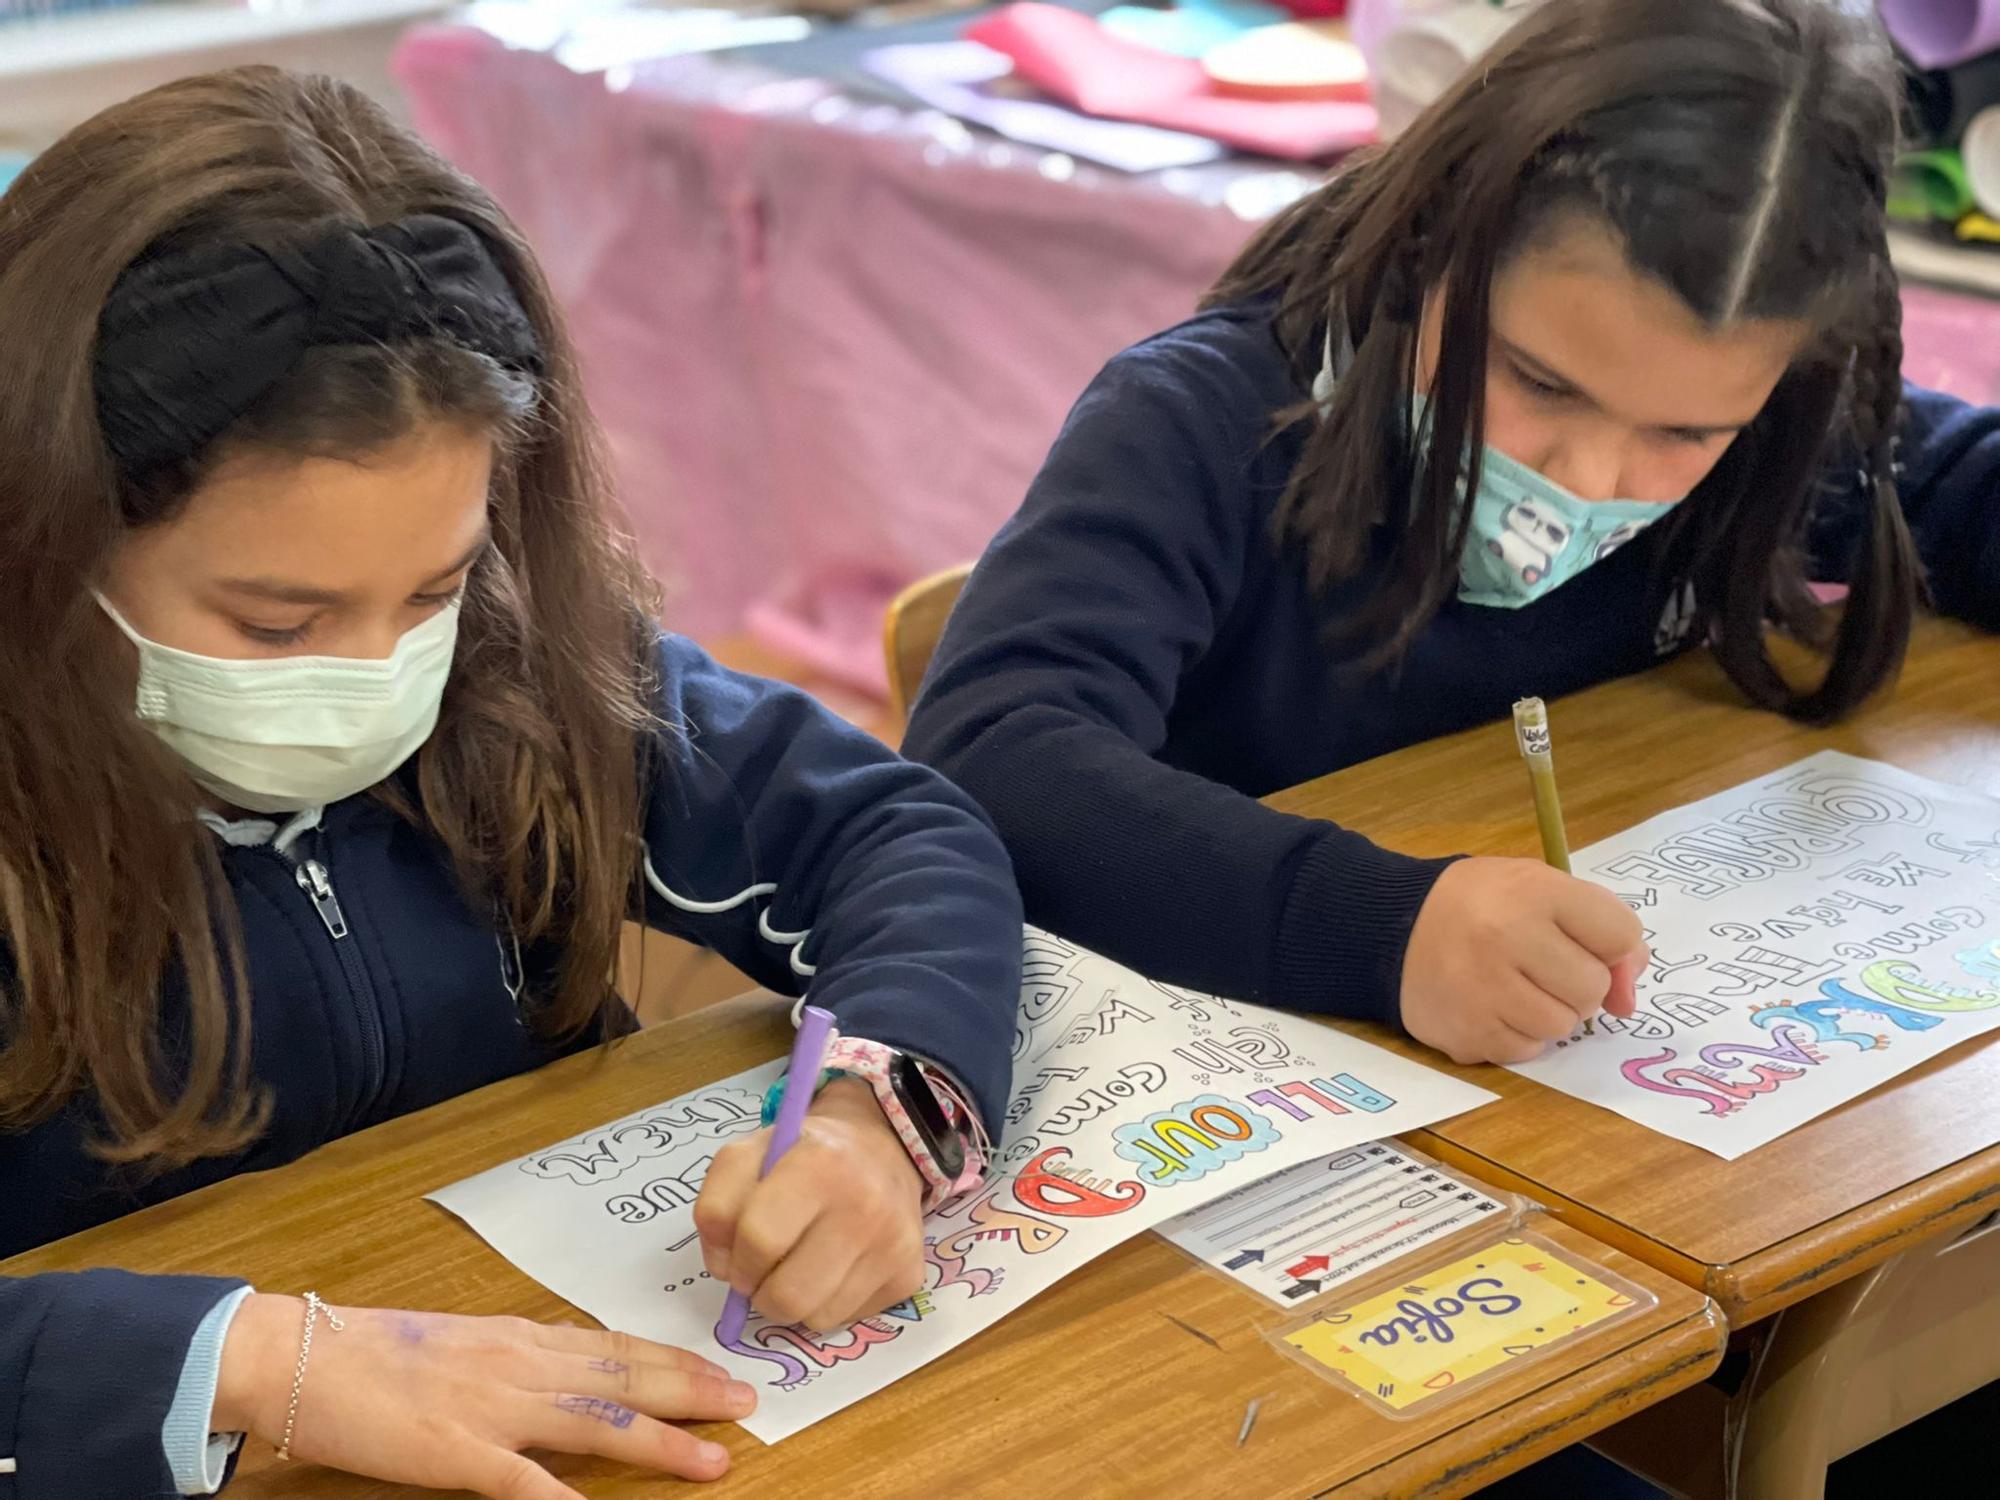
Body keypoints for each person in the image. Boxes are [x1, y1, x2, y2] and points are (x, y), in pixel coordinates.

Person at [0, 68, 1021, 1498]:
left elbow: (894, 831)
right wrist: (254, 1361)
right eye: (277, 626)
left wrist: (879, 1119)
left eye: (430, 586)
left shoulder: (520, 662)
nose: (374, 675)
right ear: (47, 539)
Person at [904, 0, 2000, 1069]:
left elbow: (1959, 483)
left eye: (1682, 432)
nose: (1587, 477)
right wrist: (1382, 929)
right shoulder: (1202, 424)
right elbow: (992, 755)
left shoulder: (1772, 433)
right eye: (1535, 382)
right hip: (1236, 1052)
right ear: (1438, 242)